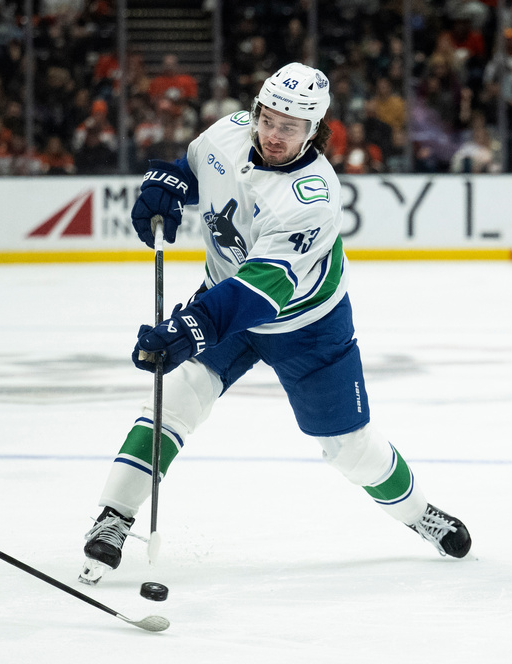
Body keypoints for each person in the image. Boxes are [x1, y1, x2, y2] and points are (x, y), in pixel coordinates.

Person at [79, 62, 472, 586]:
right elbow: (197, 171)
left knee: (350, 449)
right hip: (225, 299)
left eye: (290, 126)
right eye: (267, 119)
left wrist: (191, 329)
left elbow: (263, 290)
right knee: (173, 400)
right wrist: (169, 185)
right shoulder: (228, 132)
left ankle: (419, 513)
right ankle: (113, 517)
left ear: (314, 131)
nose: (273, 134)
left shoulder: (313, 196)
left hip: (306, 325)